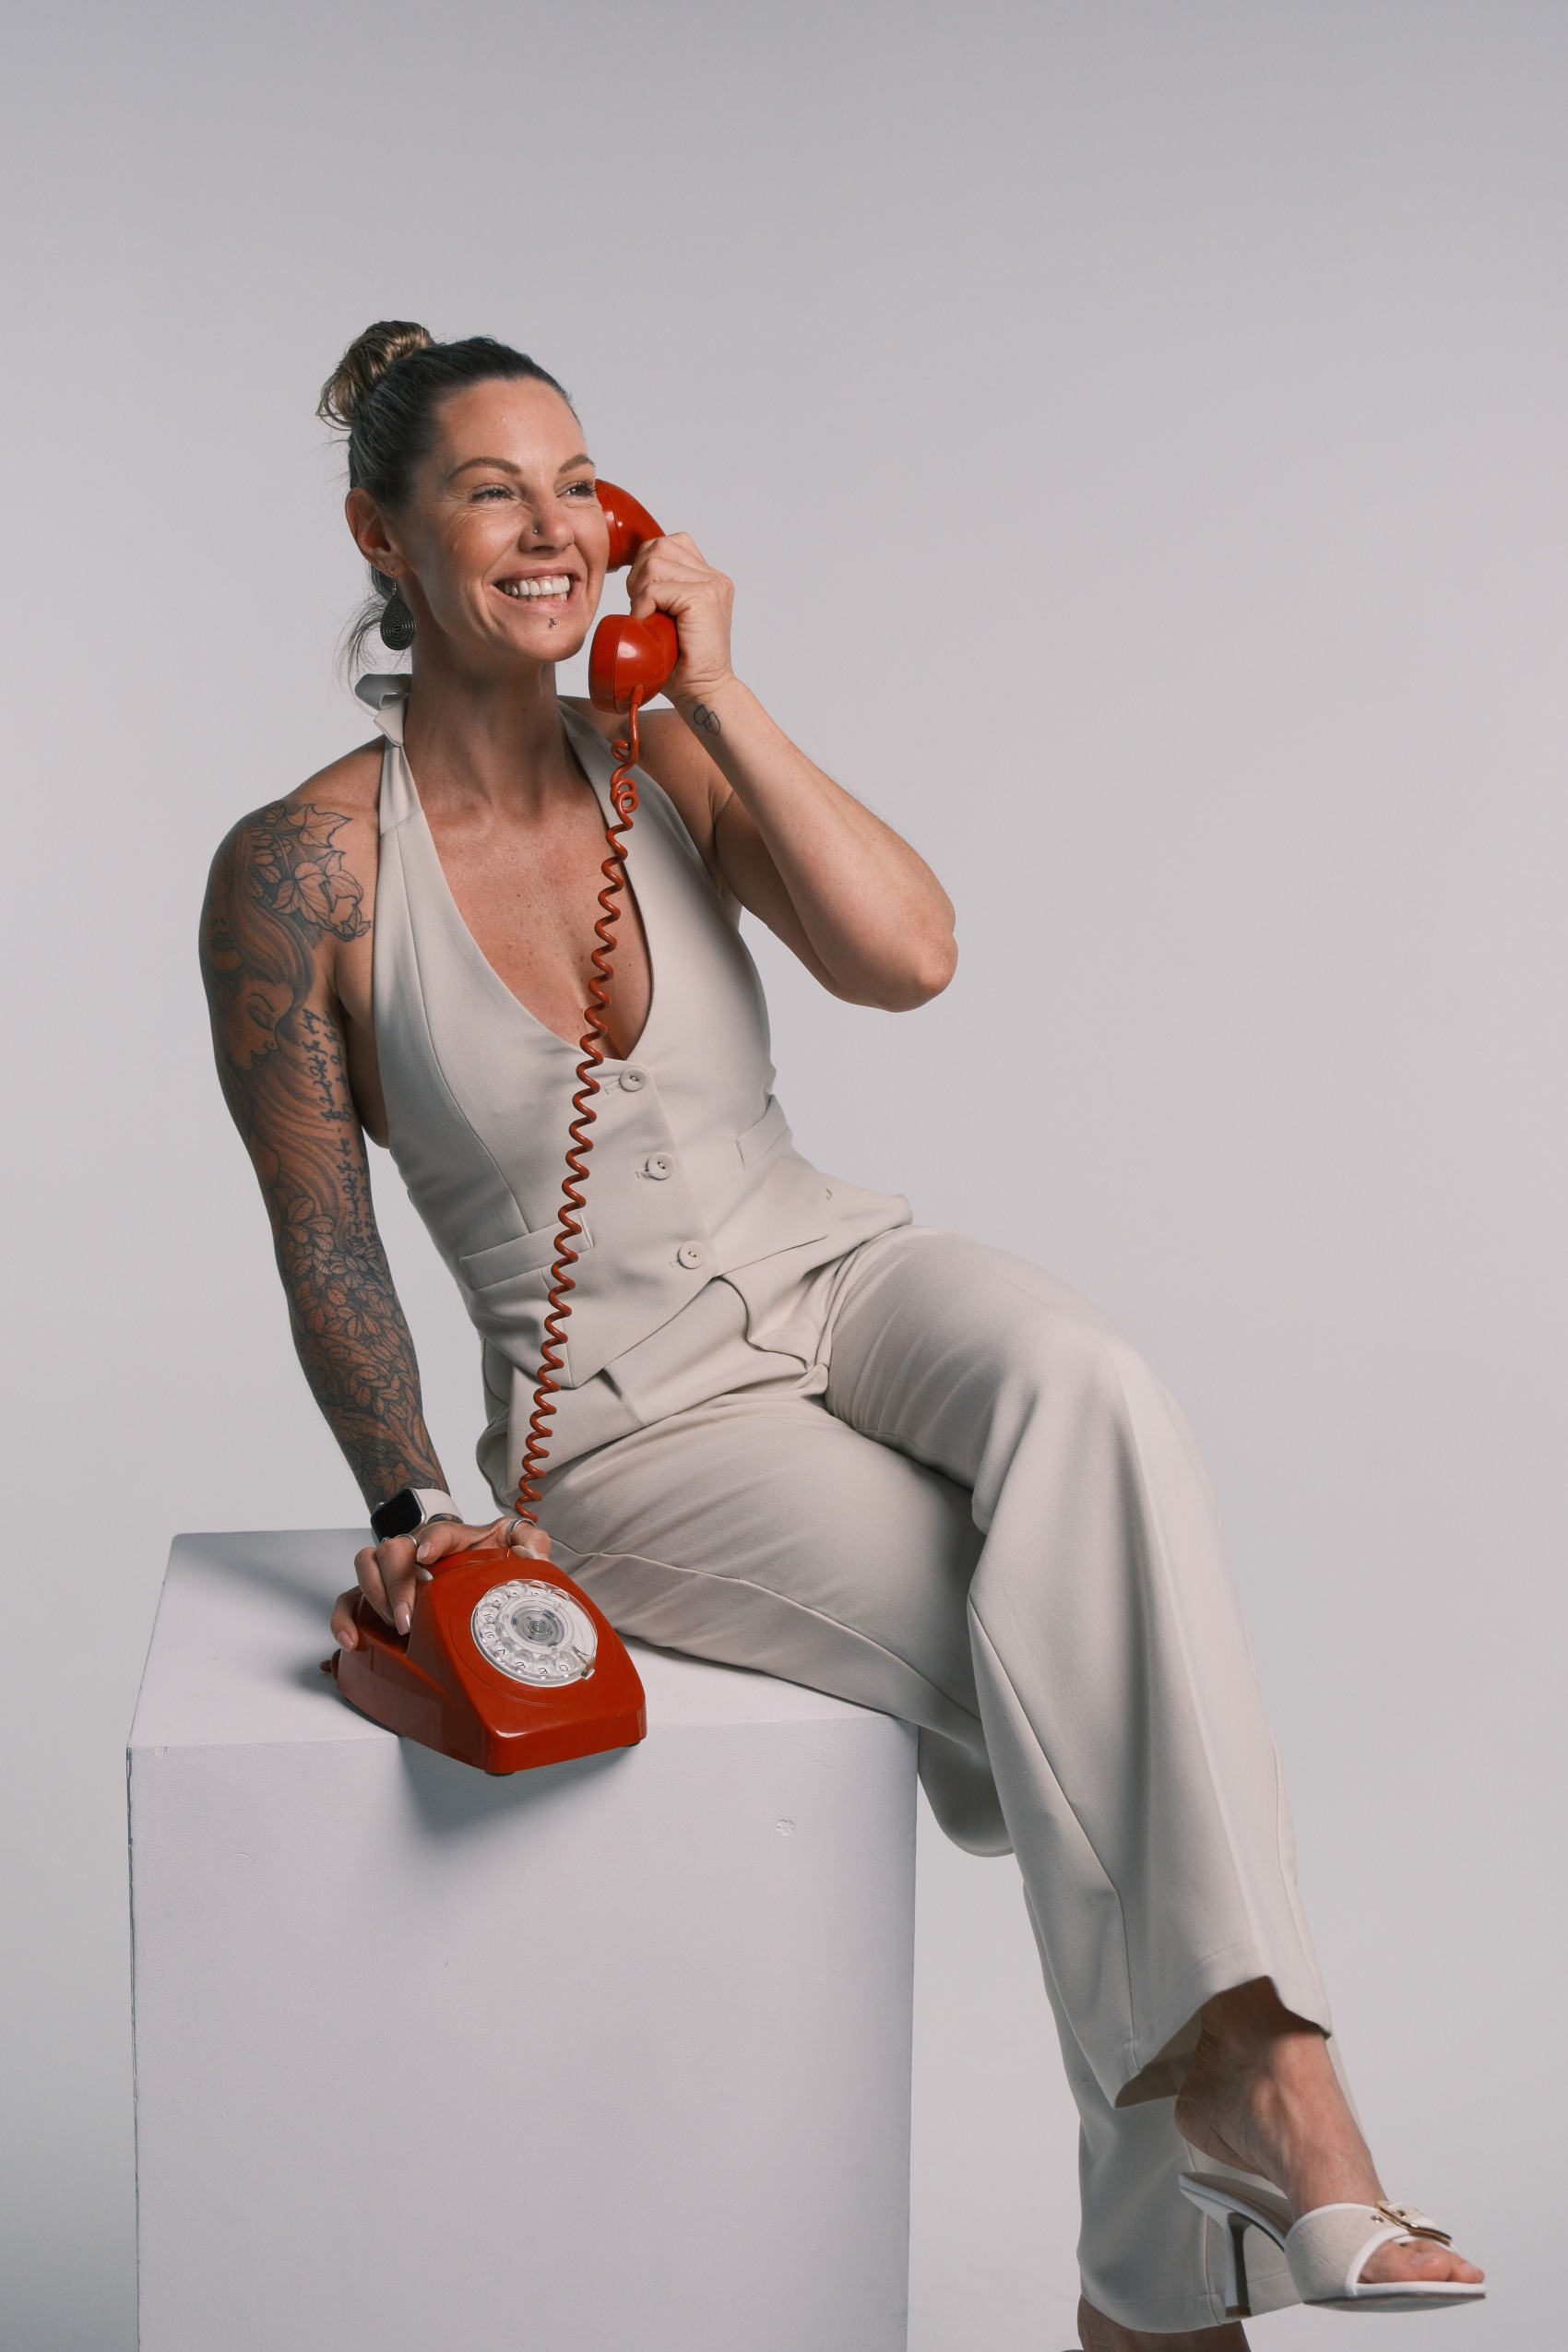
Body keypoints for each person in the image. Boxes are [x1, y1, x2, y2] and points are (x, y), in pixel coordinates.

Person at [199, 322, 1483, 2348]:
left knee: (1092, 1387)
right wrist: (411, 1504)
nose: (549, 531)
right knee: (1060, 1658)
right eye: (489, 492)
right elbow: (322, 1235)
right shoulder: (301, 871)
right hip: (630, 1423)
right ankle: (1217, 2199)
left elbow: (910, 955)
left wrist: (713, 682)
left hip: (834, 1264)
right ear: (381, 535)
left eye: (576, 486)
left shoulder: (659, 753)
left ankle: (1211, 2184)